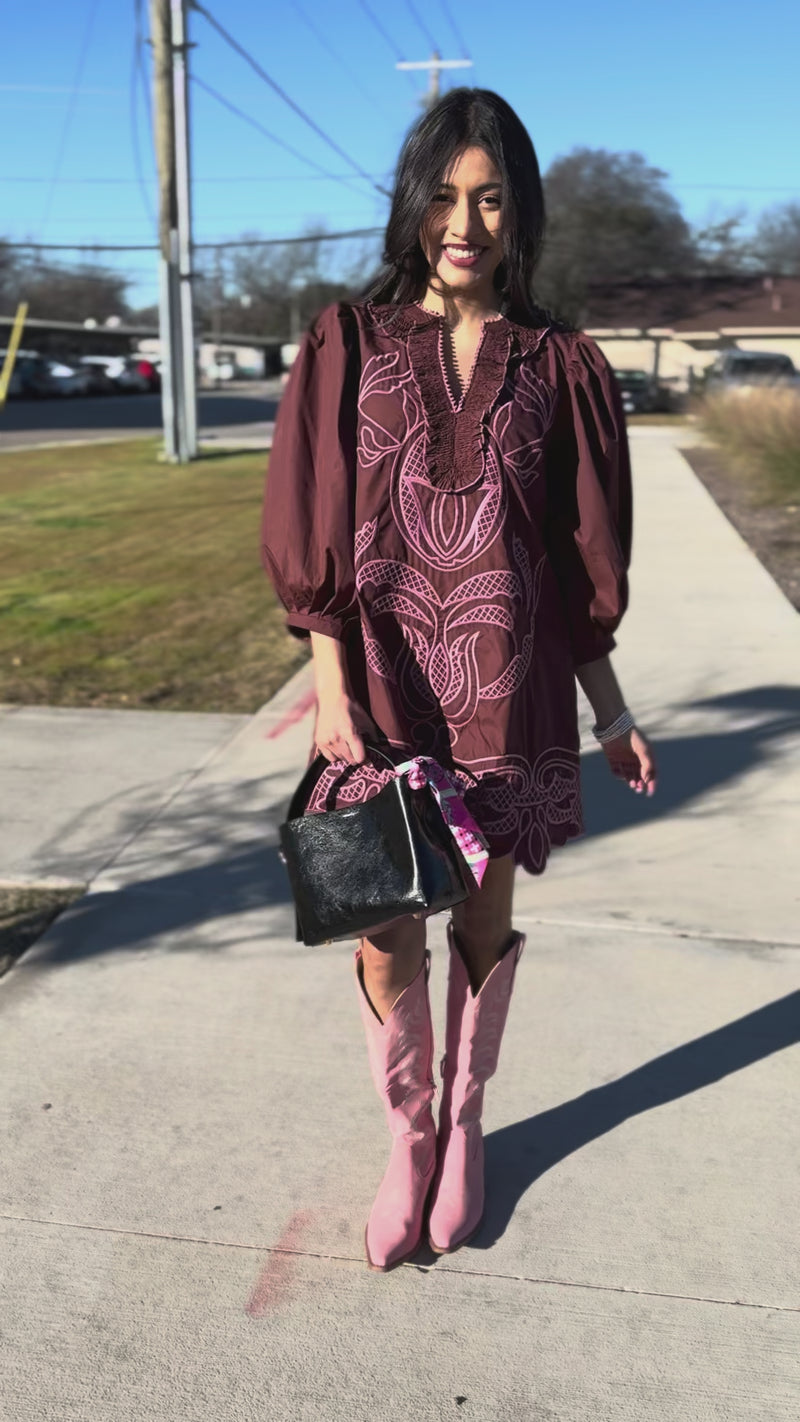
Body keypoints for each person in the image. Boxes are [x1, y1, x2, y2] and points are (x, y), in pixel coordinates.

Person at [262, 89, 657, 1273]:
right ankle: (407, 1135)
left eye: (489, 198)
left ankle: (468, 1124)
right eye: (443, 195)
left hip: (513, 689)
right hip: (380, 692)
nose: (464, 222)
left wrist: (613, 712)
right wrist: (331, 697)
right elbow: (315, 536)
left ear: (520, 209)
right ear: (411, 203)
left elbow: (574, 560)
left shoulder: (562, 365)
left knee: (484, 912)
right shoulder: (346, 344)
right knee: (386, 924)